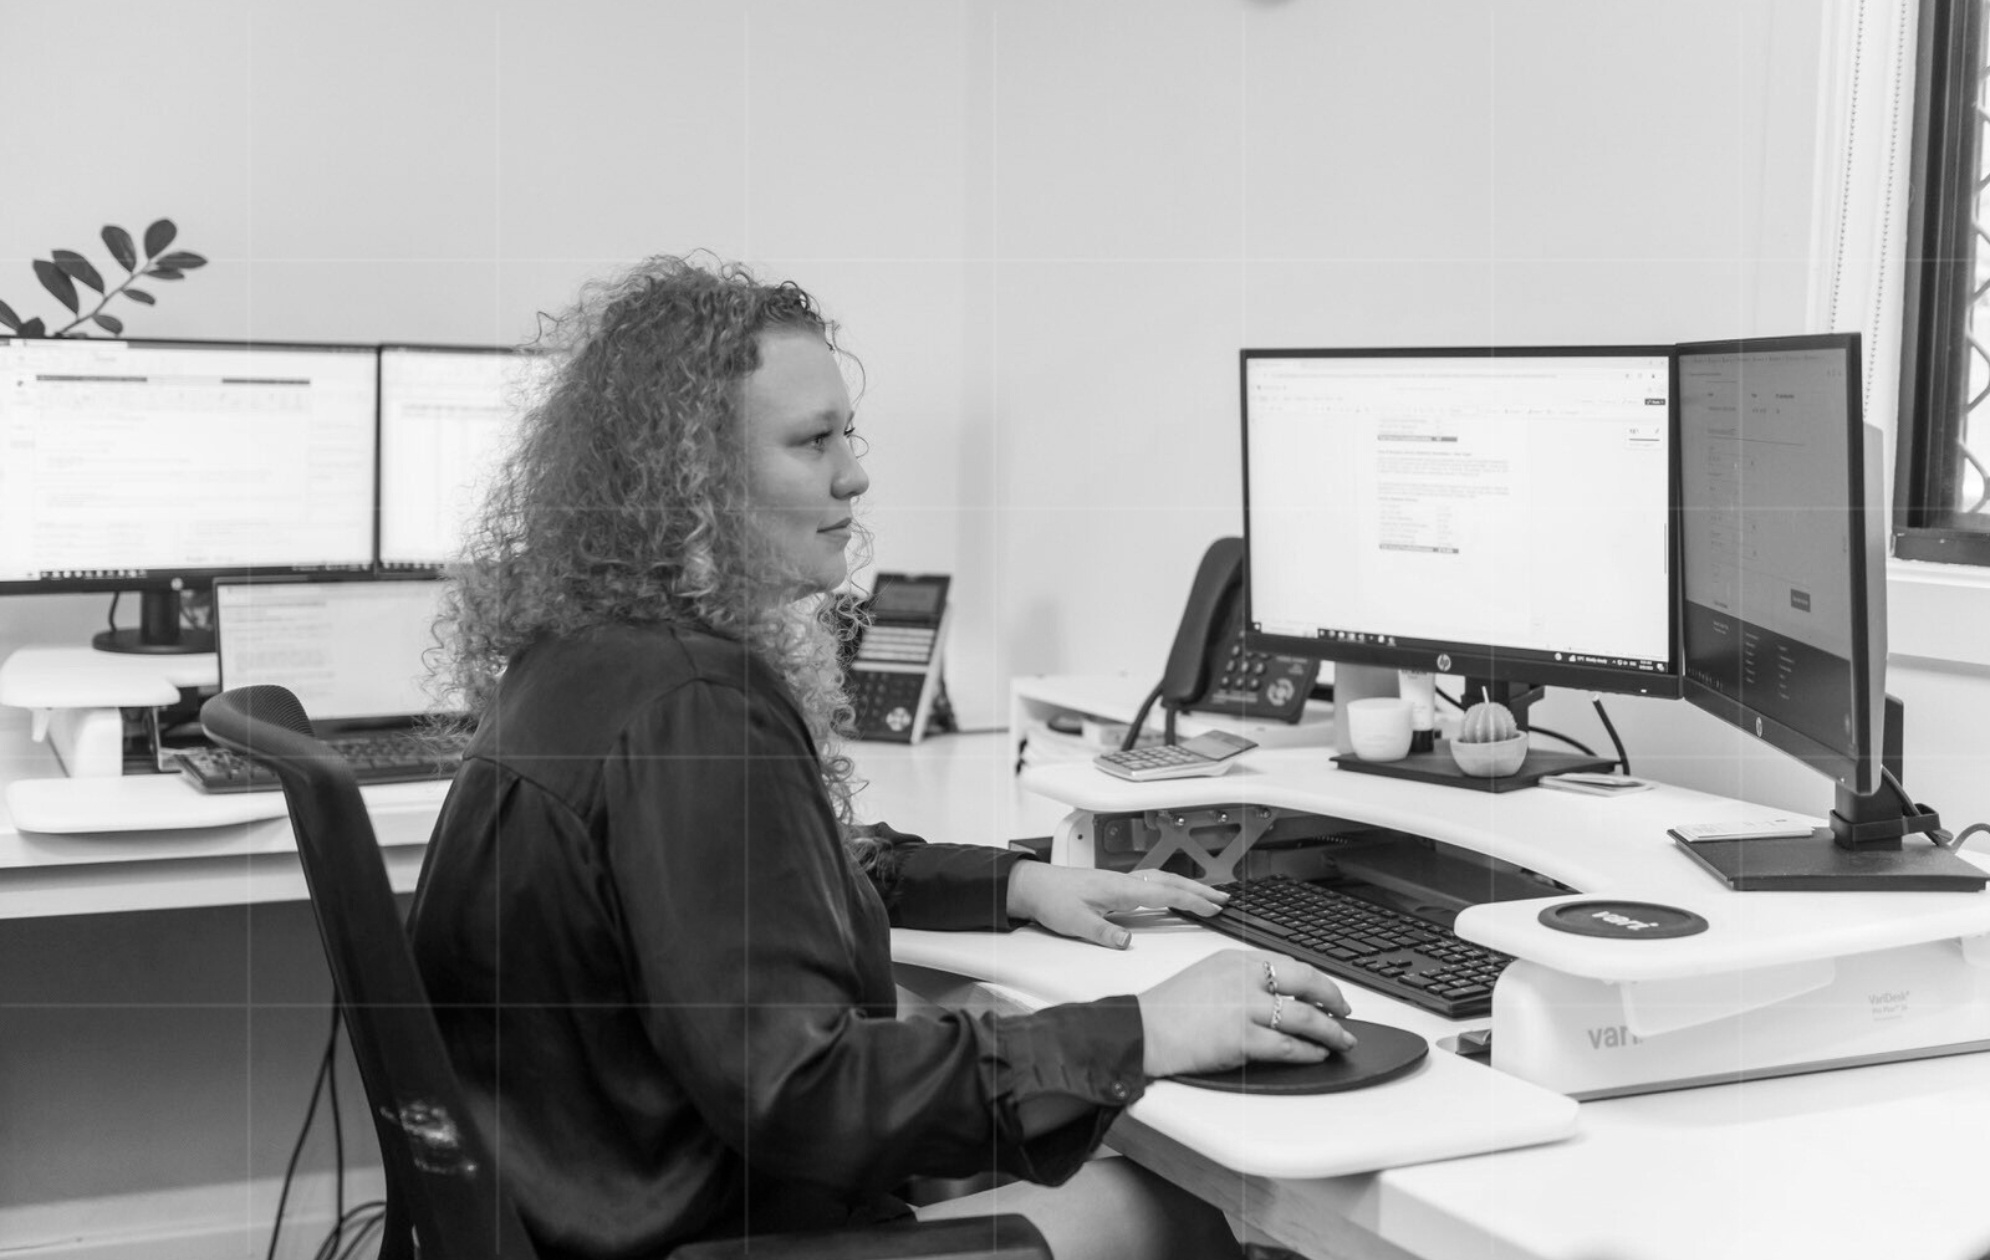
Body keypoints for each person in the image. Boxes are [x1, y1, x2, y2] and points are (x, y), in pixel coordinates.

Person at [407, 255, 1356, 1260]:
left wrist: (1017, 883)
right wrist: (1145, 1031)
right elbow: (803, 1093)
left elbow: (767, 875)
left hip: (591, 1205)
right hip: (694, 1238)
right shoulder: (694, 706)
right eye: (812, 442)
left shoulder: (588, 655)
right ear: (690, 484)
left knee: (1029, 1136)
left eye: (846, 433)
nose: (853, 473)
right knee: (1190, 1215)